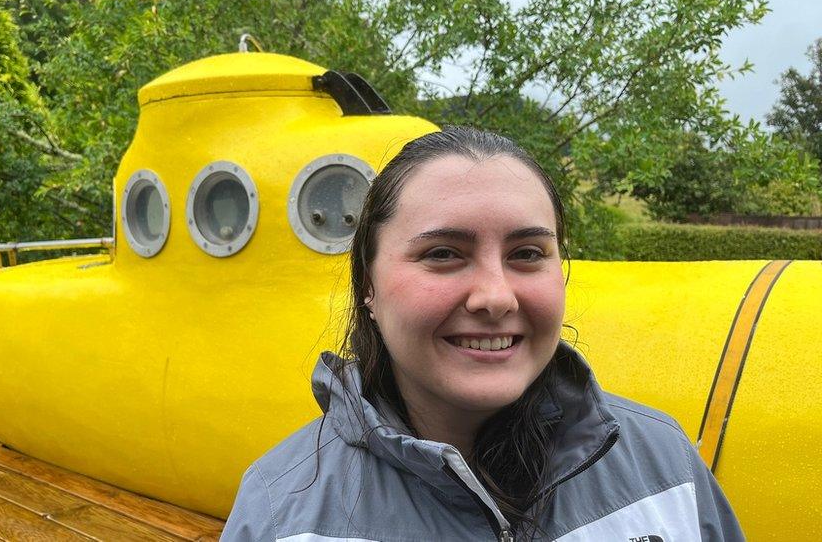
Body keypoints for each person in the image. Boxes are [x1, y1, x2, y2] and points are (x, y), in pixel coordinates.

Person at [221, 127, 742, 541]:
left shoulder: (665, 463)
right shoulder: (281, 510)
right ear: (368, 288)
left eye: (527, 254)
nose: (495, 296)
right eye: (443, 254)